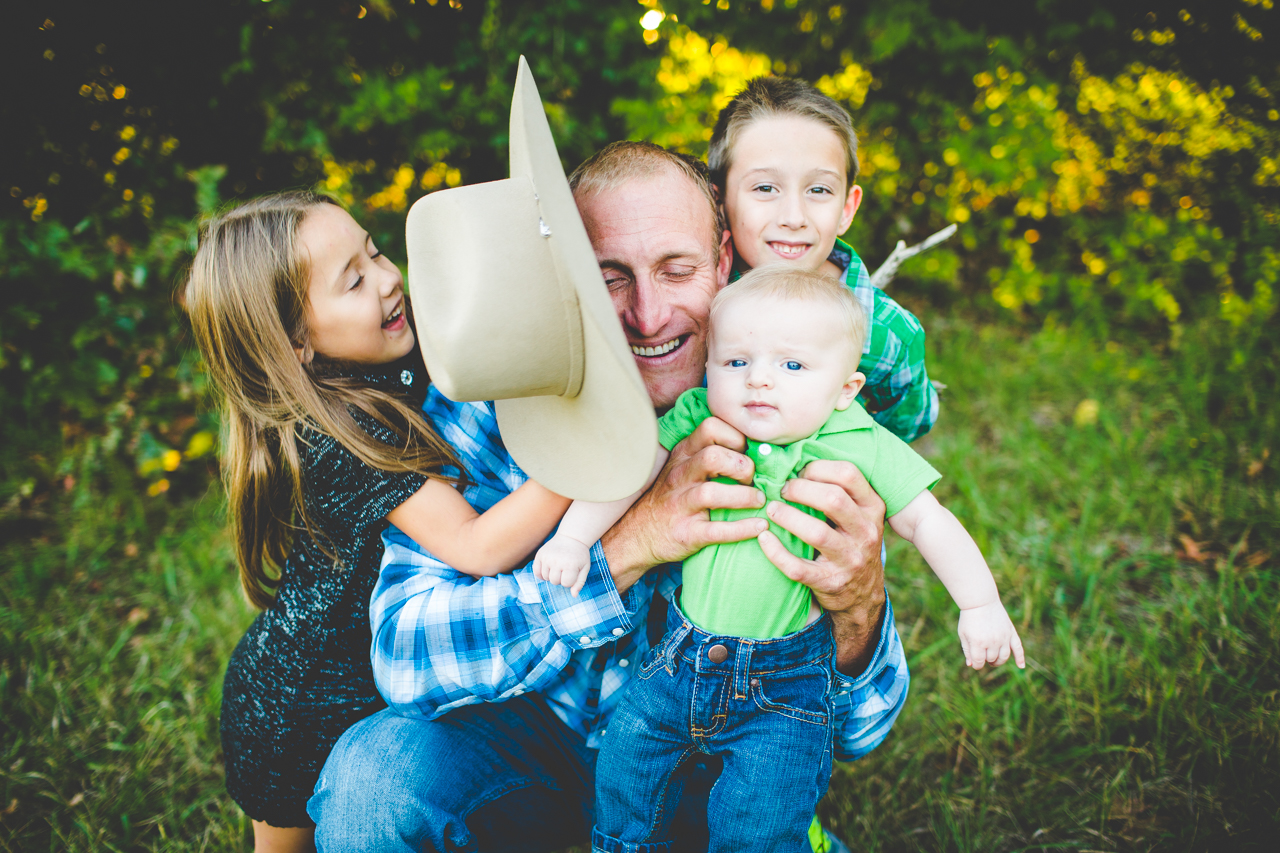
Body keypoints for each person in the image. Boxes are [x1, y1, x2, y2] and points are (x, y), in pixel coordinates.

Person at [308, 139, 921, 852]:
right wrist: (627, 548)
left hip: (710, 770)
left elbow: (863, 732)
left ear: (724, 262)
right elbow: (406, 655)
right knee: (374, 779)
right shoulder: (497, 398)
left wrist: (858, 608)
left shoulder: (785, 403)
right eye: (611, 276)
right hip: (533, 743)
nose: (648, 314)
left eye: (678, 269)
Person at [546, 267, 1022, 852]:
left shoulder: (857, 440)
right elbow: (631, 472)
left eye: (791, 366)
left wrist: (980, 602)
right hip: (678, 657)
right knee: (627, 773)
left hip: (785, 684)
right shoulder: (703, 417)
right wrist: (573, 538)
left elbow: (926, 519)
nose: (759, 382)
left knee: (761, 819)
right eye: (737, 362)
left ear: (845, 389)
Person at [186, 192, 574, 853]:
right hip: (303, 706)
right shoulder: (335, 436)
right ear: (298, 342)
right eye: (355, 280)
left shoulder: (384, 371)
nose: (389, 276)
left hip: (342, 687)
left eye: (374, 249)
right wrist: (577, 462)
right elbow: (475, 545)